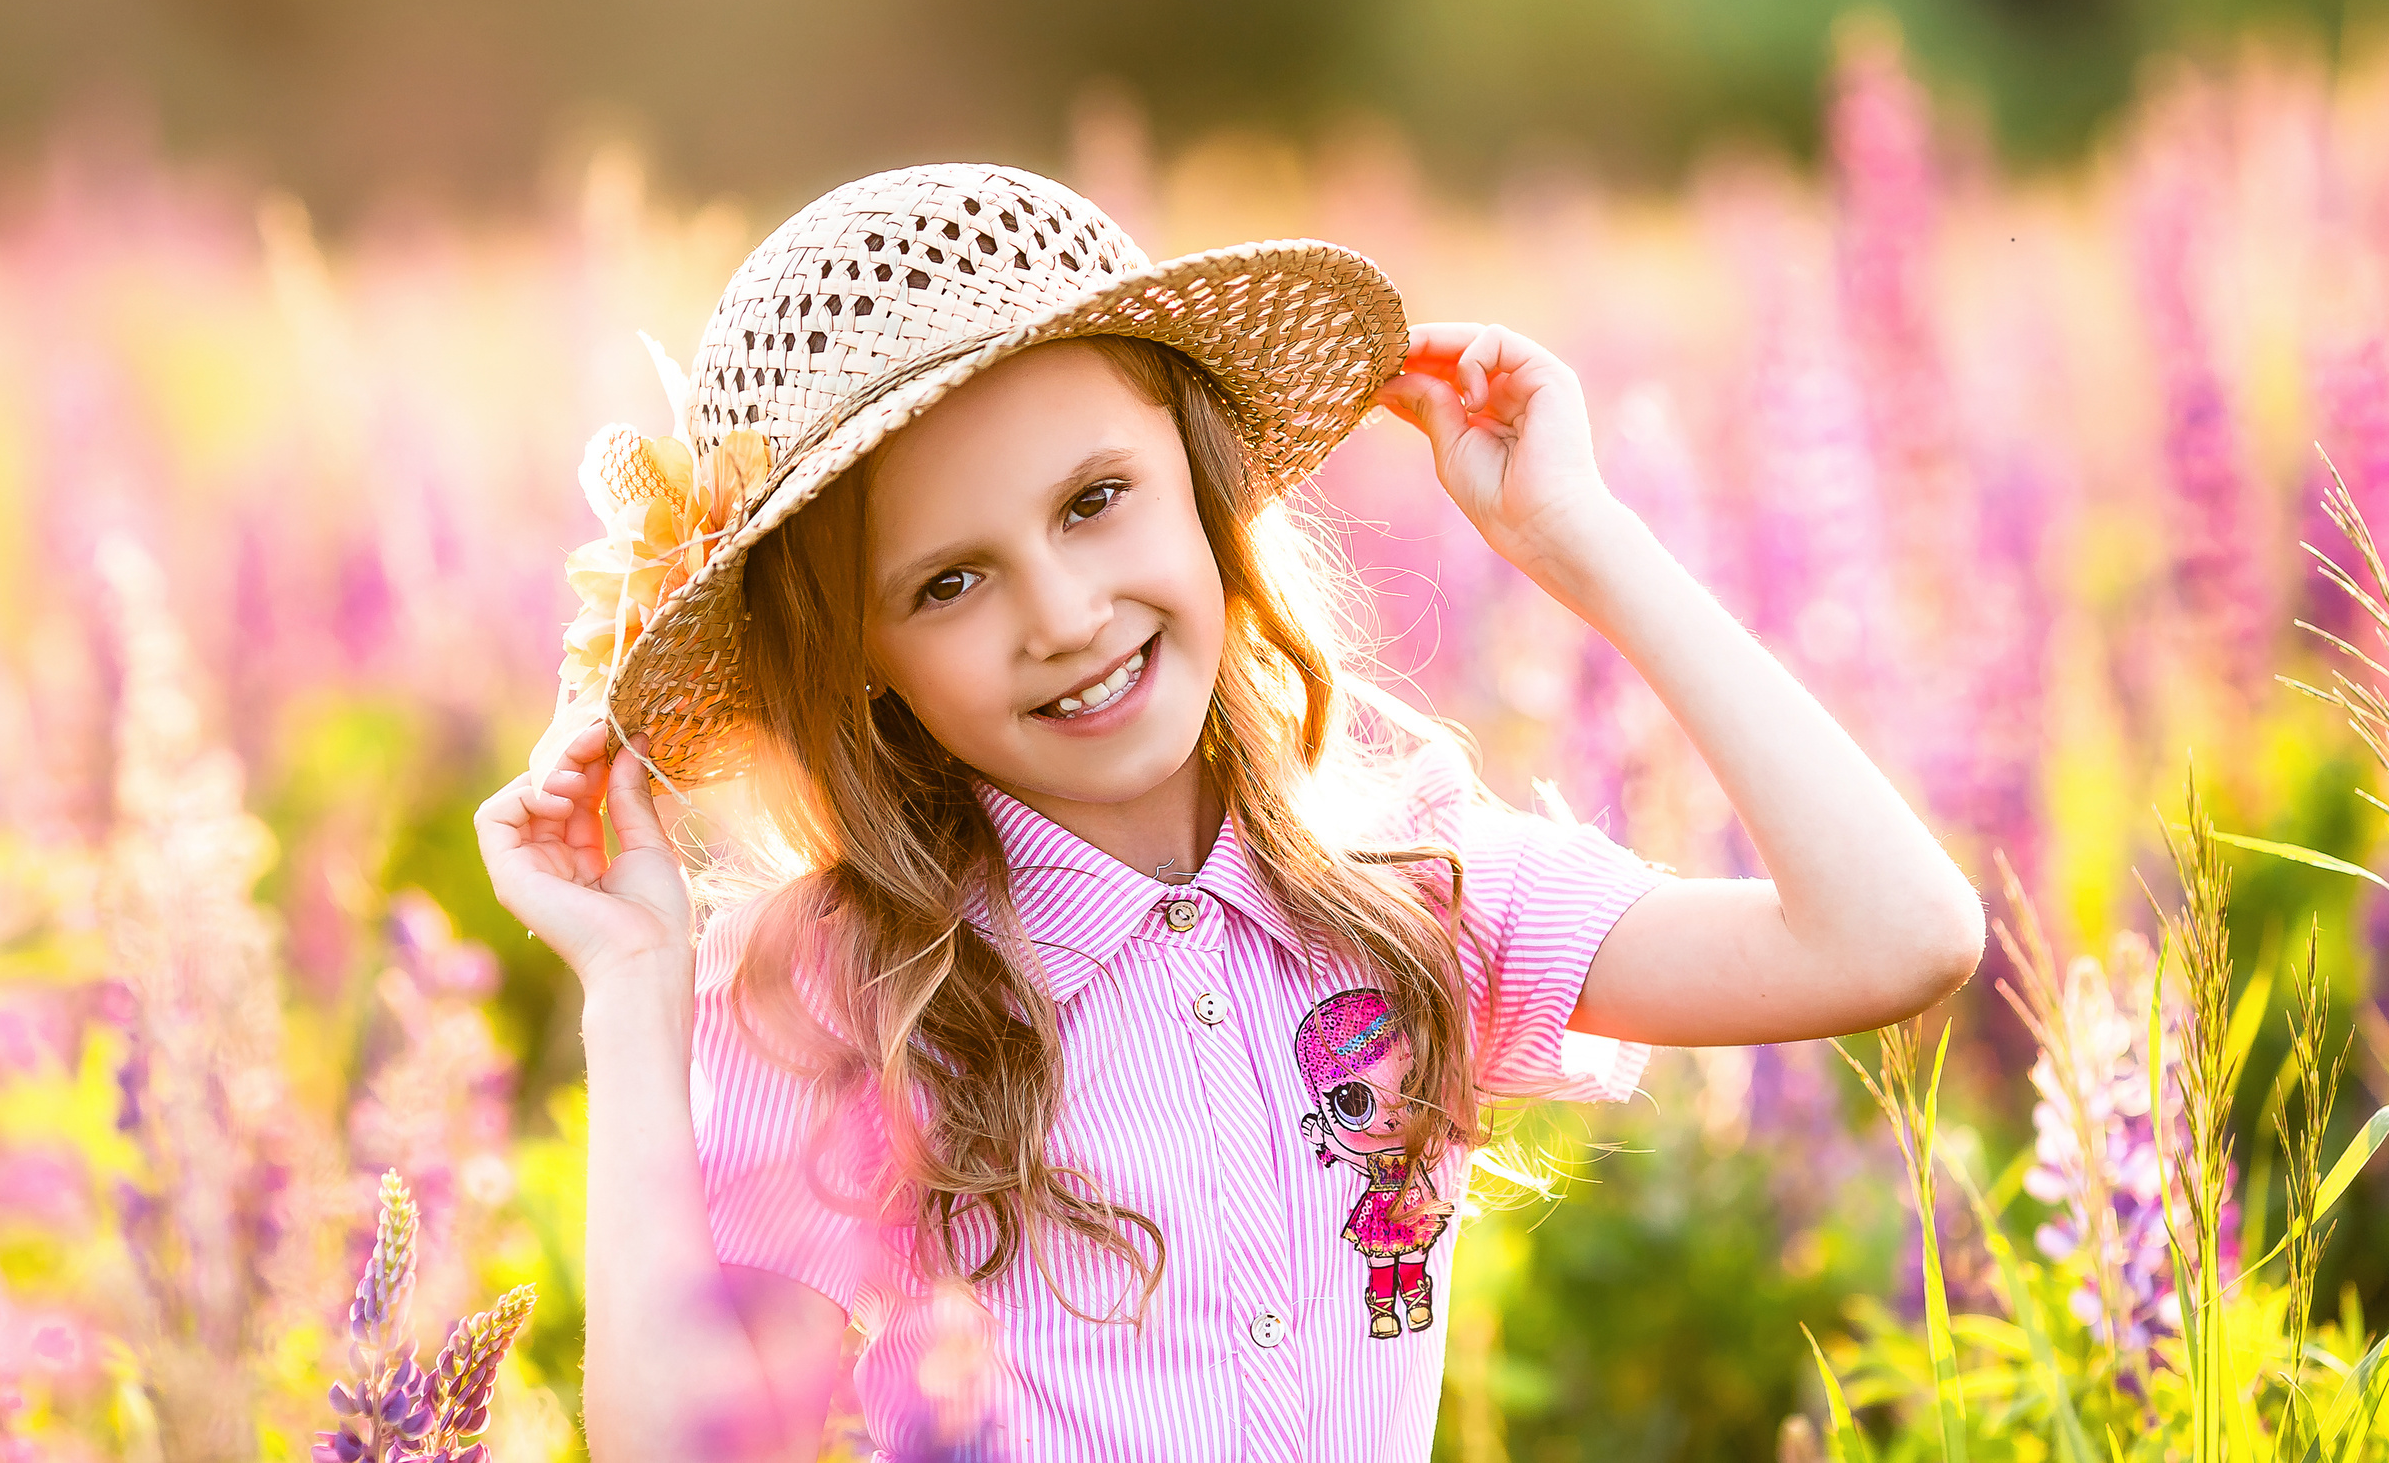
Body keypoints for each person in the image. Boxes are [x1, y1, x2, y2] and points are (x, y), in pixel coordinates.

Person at [474, 164, 1983, 1461]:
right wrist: (634, 985)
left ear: (1206, 491)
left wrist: (1583, 544)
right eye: (948, 581)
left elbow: (1892, 938)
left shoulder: (1409, 888)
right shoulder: (851, 992)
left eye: (1094, 501)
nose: (1063, 613)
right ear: (863, 669)